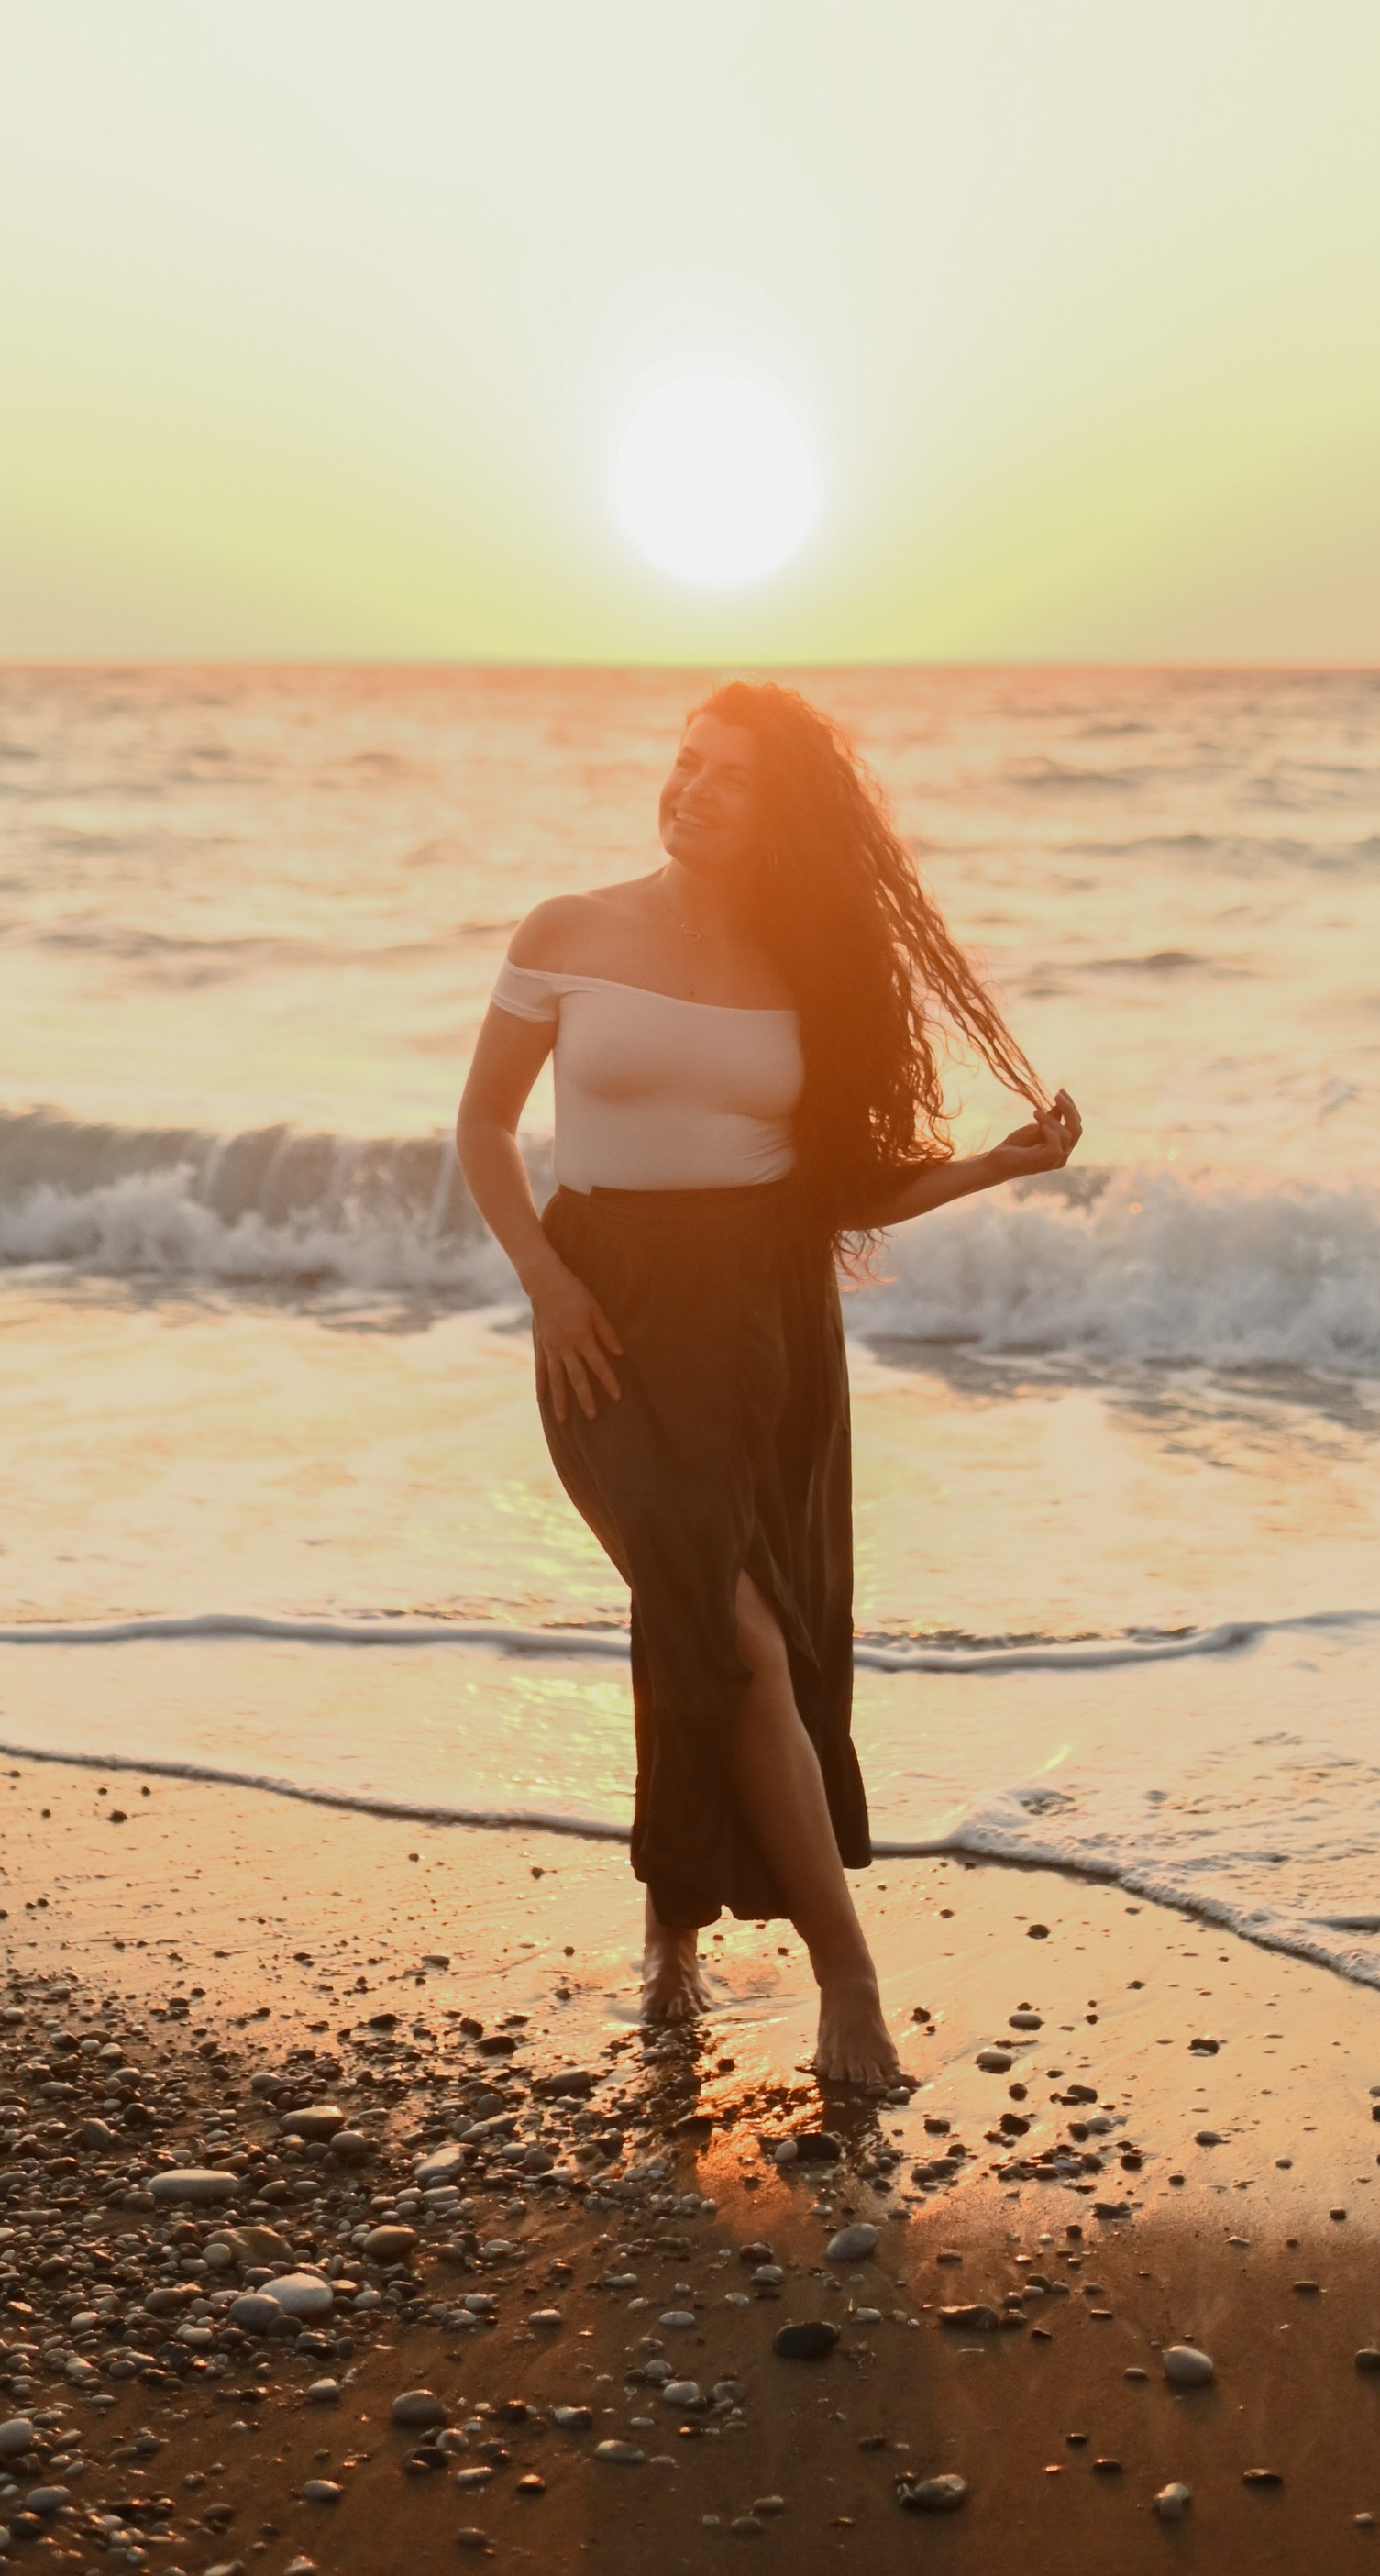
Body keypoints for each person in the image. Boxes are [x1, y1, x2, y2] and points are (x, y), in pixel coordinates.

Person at [453, 680, 1080, 2087]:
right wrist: (550, 1284)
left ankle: (671, 1923)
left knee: (714, 1631)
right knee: (737, 1640)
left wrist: (995, 1161)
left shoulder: (811, 969)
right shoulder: (565, 931)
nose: (691, 788)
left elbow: (836, 1193)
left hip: (766, 1326)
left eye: (730, 775)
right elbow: (486, 1125)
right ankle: (850, 1979)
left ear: (780, 811)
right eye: (684, 760)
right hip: (605, 1318)